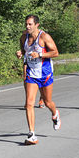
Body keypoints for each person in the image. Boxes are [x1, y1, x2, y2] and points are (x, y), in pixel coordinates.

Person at [16, 15, 61, 145]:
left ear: (37, 25)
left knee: (47, 102)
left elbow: (55, 52)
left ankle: (55, 113)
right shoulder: (24, 37)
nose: (27, 27)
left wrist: (40, 54)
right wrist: (20, 53)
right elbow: (25, 51)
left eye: (30, 24)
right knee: (29, 104)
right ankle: (32, 134)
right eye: (26, 24)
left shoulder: (44, 37)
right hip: (31, 74)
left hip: (45, 73)